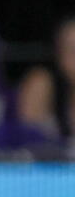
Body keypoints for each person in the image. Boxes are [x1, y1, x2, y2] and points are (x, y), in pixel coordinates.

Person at [17, 17, 75, 161]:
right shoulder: (42, 82)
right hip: (45, 173)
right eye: (73, 50)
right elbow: (28, 139)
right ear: (59, 54)